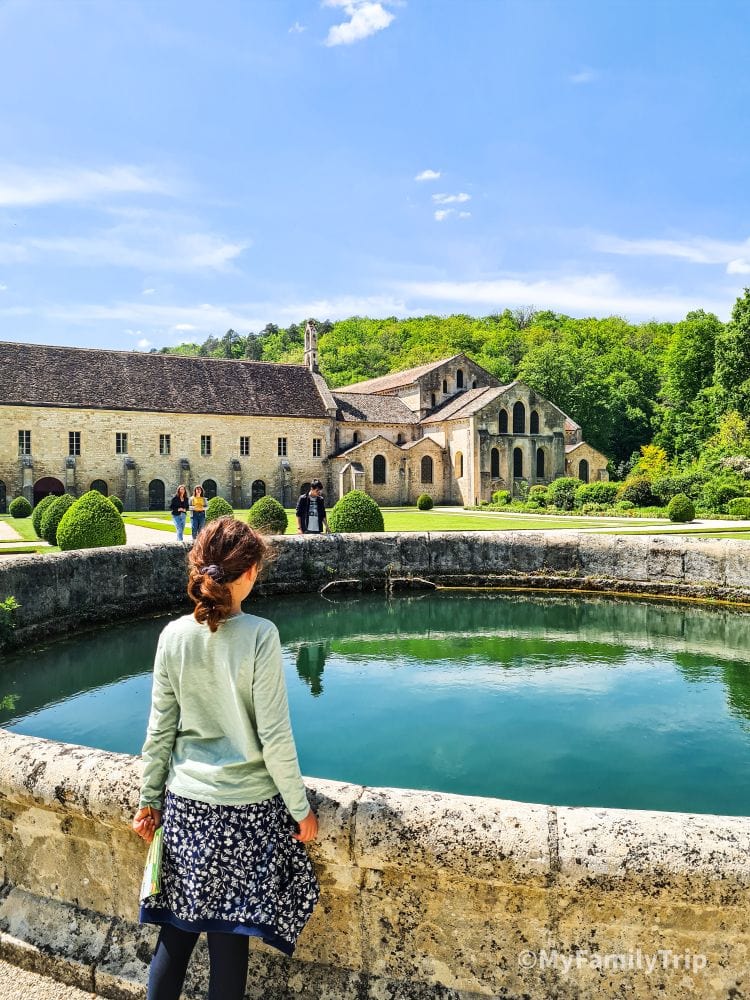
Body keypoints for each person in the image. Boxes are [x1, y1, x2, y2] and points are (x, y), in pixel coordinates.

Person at [132, 517, 320, 1000]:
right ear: (251, 572)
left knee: (174, 936)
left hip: (187, 807)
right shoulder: (260, 635)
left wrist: (149, 799)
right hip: (246, 813)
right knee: (228, 946)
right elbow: (275, 737)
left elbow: (160, 732)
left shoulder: (173, 636)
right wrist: (300, 809)